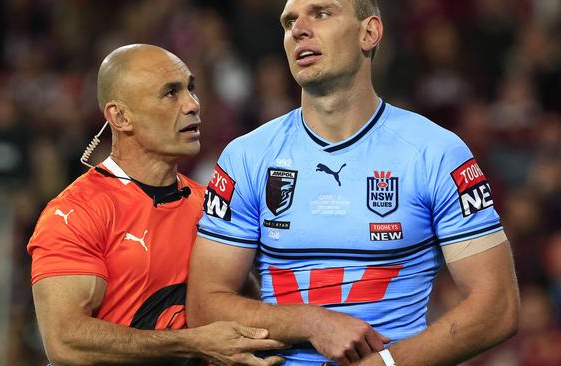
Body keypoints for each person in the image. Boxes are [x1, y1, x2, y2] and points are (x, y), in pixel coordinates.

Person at [187, 1, 519, 365]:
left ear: (370, 33)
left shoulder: (435, 153)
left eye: (322, 13)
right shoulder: (246, 157)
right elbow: (204, 306)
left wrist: (386, 363)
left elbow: (497, 307)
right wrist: (311, 322)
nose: (298, 29)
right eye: (288, 22)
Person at [27, 44, 286, 366]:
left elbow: (249, 302)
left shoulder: (211, 206)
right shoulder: (74, 213)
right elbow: (65, 343)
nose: (193, 105)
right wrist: (192, 343)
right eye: (170, 93)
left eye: (191, 89)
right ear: (120, 117)